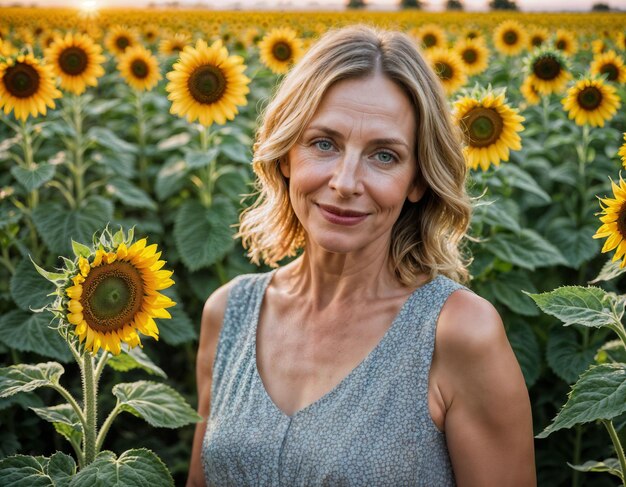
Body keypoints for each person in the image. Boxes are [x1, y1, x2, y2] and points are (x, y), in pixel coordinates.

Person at [187, 25, 536, 487]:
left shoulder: (458, 333)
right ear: (287, 154)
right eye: (324, 143)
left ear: (418, 181)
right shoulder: (228, 312)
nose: (346, 182)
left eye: (384, 156)